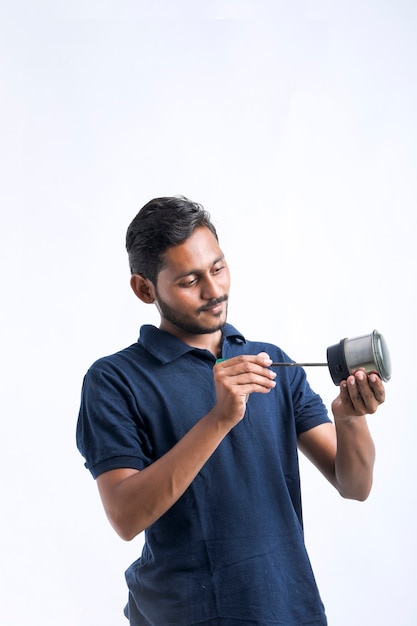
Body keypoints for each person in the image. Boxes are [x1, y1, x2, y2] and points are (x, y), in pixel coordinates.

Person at [76, 195, 385, 625]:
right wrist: (219, 419)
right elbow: (125, 517)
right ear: (145, 289)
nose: (214, 290)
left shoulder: (270, 362)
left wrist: (350, 419)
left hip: (289, 610)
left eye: (218, 268)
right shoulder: (114, 380)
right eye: (189, 281)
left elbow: (354, 484)